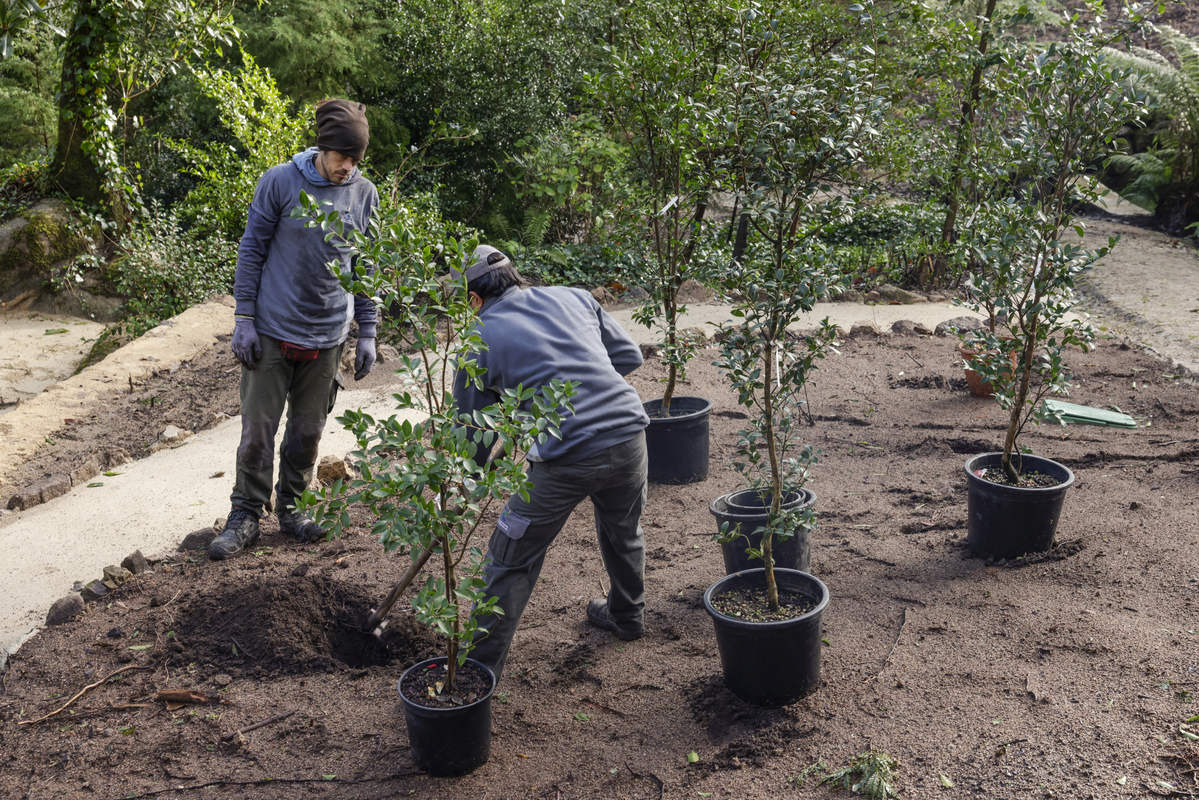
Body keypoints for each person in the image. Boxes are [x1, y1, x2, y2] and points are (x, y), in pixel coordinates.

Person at [453, 245, 651, 679]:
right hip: (629, 433)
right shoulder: (572, 295)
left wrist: (471, 479)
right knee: (624, 531)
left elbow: (470, 439)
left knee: (509, 559)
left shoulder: (476, 340)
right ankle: (628, 616)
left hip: (567, 459)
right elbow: (629, 357)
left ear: (473, 299)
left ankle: (474, 677)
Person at [209, 99, 380, 560]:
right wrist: (244, 318)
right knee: (257, 434)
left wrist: (367, 329)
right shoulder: (281, 181)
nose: (348, 167)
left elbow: (366, 265)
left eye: (356, 159)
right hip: (272, 330)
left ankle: (293, 509)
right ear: (322, 147)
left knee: (307, 434)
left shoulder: (364, 194)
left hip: (328, 336)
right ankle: (246, 515)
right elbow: (252, 248)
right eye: (342, 156)